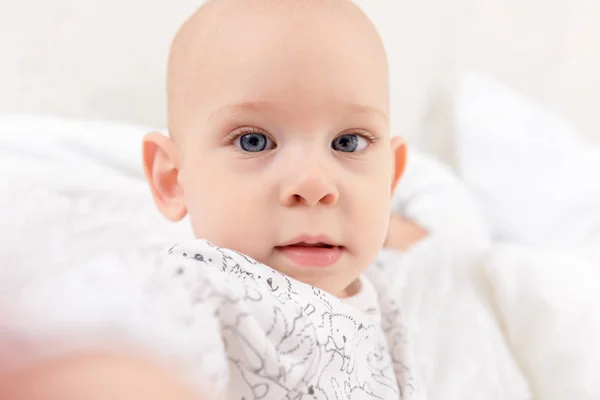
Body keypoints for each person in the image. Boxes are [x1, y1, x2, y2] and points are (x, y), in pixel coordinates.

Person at [140, 0, 420, 398]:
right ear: (173, 180)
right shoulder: (195, 293)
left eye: (348, 142)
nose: (314, 185)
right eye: (254, 141)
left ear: (390, 177)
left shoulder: (381, 296)